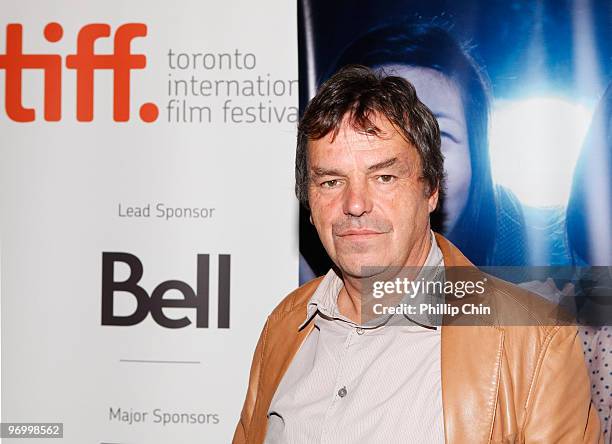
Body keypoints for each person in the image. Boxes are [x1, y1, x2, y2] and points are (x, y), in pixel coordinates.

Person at [233, 66, 602, 443]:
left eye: (384, 177)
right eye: (331, 181)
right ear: (309, 202)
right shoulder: (284, 326)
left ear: (431, 191)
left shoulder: (536, 342)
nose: (355, 204)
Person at [299, 22, 527, 284]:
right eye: (372, 132)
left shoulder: (534, 311)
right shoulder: (296, 313)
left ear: (477, 160)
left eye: (438, 137)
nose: (411, 161)